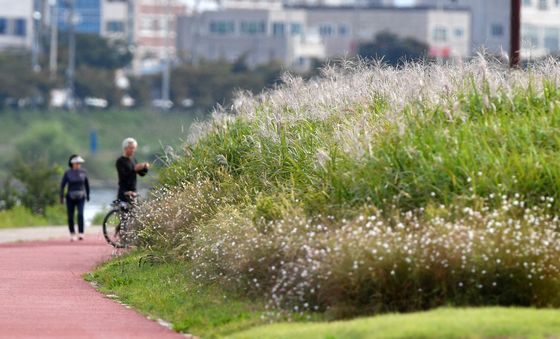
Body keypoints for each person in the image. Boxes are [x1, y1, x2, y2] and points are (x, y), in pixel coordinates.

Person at [60, 154, 90, 241]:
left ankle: (81, 233)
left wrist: (88, 195)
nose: (78, 164)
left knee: (80, 214)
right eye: (76, 163)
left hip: (81, 196)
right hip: (70, 196)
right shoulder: (67, 173)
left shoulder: (83, 172)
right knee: (70, 215)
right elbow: (62, 185)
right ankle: (72, 233)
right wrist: (61, 196)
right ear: (72, 163)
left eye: (79, 163)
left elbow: (87, 185)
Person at [116, 138, 150, 203]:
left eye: (134, 148)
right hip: (124, 191)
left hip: (133, 191)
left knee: (135, 211)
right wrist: (134, 169)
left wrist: (144, 168)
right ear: (125, 148)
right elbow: (123, 176)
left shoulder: (133, 159)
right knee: (124, 212)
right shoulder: (120, 161)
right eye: (131, 148)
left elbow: (141, 174)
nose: (133, 150)